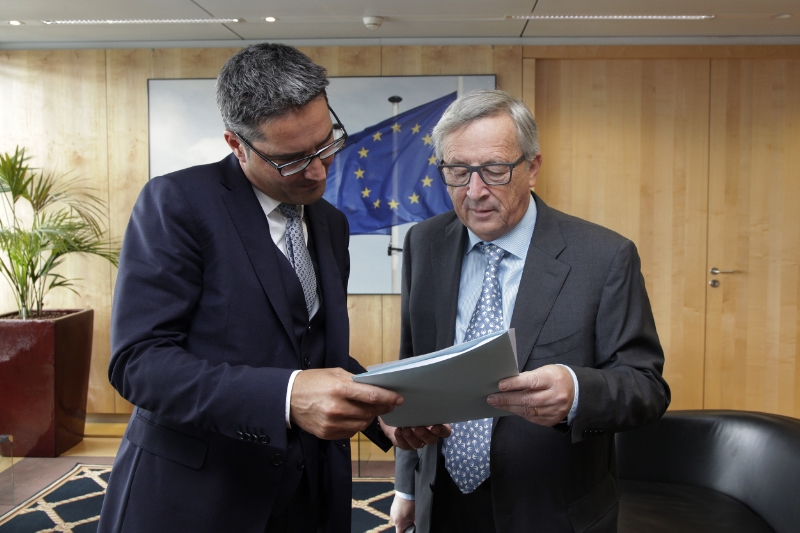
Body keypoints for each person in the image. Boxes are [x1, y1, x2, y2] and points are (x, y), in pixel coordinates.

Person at [97, 43, 445, 533]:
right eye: (292, 160)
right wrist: (285, 396)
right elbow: (139, 363)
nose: (319, 171)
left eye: (327, 143)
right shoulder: (177, 203)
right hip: (199, 498)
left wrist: (379, 409)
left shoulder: (330, 223)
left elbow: (311, 350)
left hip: (311, 496)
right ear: (236, 144)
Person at [389, 89, 670, 533]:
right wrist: (407, 487)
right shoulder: (424, 243)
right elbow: (413, 369)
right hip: (442, 502)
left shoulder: (604, 257)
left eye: (494, 170)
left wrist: (576, 392)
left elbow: (647, 388)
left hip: (551, 510)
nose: (475, 192)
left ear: (533, 168)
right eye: (458, 172)